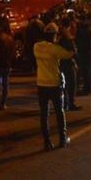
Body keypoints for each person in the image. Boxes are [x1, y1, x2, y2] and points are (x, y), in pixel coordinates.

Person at [33, 22, 74, 151]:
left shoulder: (36, 47)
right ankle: (62, 139)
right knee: (59, 112)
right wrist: (68, 37)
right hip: (54, 84)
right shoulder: (55, 49)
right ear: (54, 35)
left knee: (44, 114)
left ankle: (47, 142)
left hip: (41, 83)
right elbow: (70, 54)